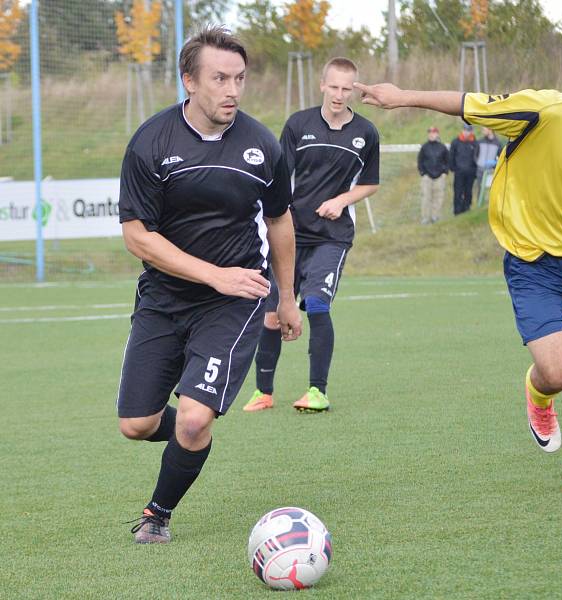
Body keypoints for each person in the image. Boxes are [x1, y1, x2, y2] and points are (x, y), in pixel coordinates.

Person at [356, 21, 562, 492]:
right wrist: (402, 96)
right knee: (558, 372)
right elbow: (467, 103)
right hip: (532, 261)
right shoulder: (546, 110)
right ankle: (538, 396)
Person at [116, 26, 301, 544]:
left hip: (236, 297)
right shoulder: (152, 143)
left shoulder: (263, 145)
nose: (232, 90)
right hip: (163, 298)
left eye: (239, 78)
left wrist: (286, 298)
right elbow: (138, 237)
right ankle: (190, 435)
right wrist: (208, 273)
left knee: (194, 419)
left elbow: (281, 221)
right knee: (135, 423)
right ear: (189, 82)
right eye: (220, 78)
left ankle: (158, 513)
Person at [243, 57, 380, 414]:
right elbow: (278, 177)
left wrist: (341, 200)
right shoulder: (298, 124)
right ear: (322, 85)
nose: (338, 94)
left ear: (354, 90)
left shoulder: (366, 133)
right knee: (271, 313)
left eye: (346, 88)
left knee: (318, 304)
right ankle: (264, 392)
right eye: (333, 86)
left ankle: (317, 391)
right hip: (290, 234)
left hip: (332, 237)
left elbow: (370, 184)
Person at [417, 125, 449, 224]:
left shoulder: (442, 147)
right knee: (426, 197)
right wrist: (423, 173)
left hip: (439, 177)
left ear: (437, 134)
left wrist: (444, 172)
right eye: (430, 133)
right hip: (427, 177)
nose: (431, 134)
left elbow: (447, 161)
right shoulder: (424, 147)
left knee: (438, 197)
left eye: (433, 132)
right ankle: (425, 218)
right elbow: (420, 161)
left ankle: (435, 216)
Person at [449, 123, 477, 215]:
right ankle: (457, 211)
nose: (466, 132)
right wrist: (453, 168)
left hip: (471, 172)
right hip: (459, 172)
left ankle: (466, 209)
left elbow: (477, 157)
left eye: (468, 130)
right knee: (458, 192)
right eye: (465, 130)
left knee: (468, 191)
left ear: (471, 131)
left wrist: (475, 170)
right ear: (462, 130)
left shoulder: (475, 143)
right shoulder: (455, 142)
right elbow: (451, 156)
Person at [474, 126, 503, 204]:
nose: (483, 131)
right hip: (480, 170)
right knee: (480, 189)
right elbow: (475, 155)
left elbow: (500, 158)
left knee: (490, 190)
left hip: (491, 171)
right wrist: (478, 163)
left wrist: (494, 165)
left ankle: (489, 205)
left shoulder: (498, 143)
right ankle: (479, 206)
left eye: (484, 129)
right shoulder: (480, 141)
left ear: (490, 130)